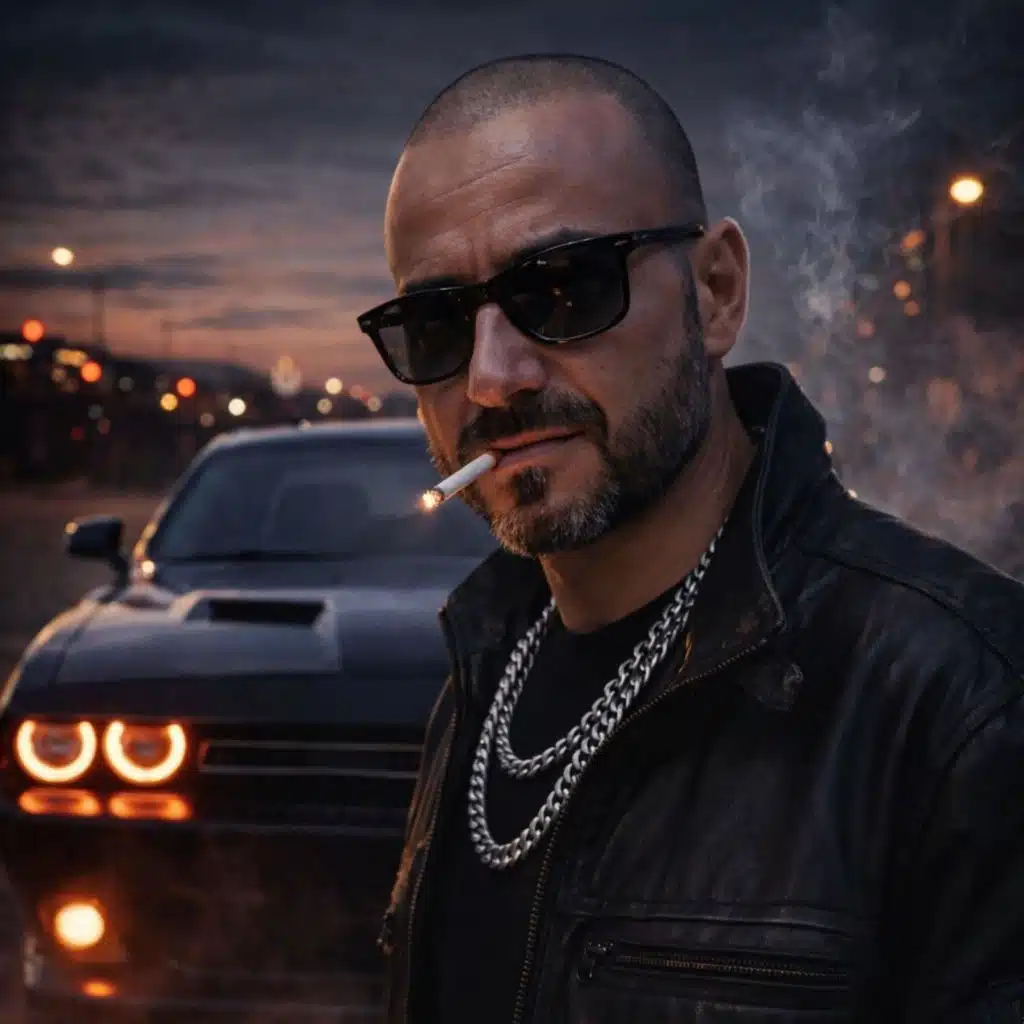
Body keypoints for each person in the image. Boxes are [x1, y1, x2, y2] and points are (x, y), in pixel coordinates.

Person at [357, 54, 1024, 1023]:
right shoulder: (482, 671)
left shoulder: (960, 699)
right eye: (433, 325)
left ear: (714, 292)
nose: (492, 378)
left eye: (563, 288)